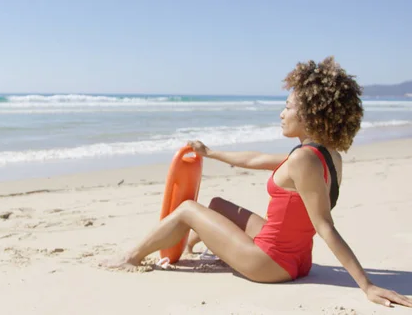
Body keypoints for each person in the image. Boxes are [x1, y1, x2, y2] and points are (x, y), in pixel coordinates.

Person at [101, 56, 412, 308]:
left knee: (186, 209)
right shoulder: (323, 154)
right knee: (217, 206)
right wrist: (209, 152)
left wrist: (367, 285)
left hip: (271, 264)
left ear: (310, 114)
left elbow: (325, 226)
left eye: (288, 107)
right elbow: (254, 159)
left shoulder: (303, 161)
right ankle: (209, 244)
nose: (281, 113)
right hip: (296, 257)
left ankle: (129, 257)